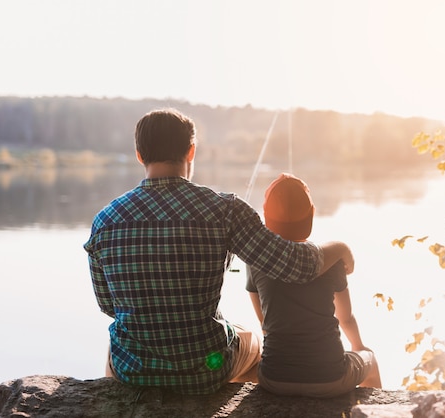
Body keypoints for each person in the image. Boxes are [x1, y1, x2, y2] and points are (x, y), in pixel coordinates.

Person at [83, 108, 355, 395]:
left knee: (116, 348)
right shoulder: (224, 210)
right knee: (252, 340)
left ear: (139, 155)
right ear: (191, 151)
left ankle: (119, 406)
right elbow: (296, 266)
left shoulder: (105, 220)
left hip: (134, 370)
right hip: (205, 370)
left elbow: (108, 306)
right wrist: (340, 248)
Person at [246, 173, 382, 398]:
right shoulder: (331, 262)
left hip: (273, 378)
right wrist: (359, 347)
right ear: (312, 214)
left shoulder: (255, 262)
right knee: (371, 360)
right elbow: (345, 318)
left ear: (266, 219)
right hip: (330, 378)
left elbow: (265, 323)